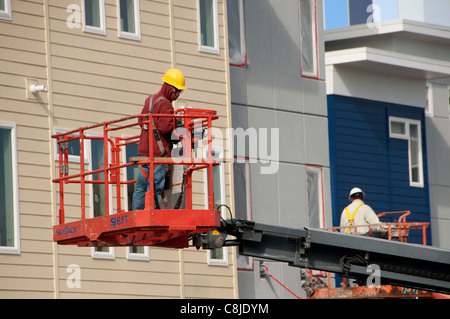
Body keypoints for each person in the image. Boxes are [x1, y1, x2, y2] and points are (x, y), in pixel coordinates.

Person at [132, 69, 187, 210]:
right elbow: (165, 128)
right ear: (169, 88)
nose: (178, 95)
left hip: (144, 150)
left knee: (141, 186)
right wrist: (178, 125)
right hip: (157, 153)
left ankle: (137, 213)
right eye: (177, 91)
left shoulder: (150, 100)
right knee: (155, 186)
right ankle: (152, 214)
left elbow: (140, 120)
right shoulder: (166, 105)